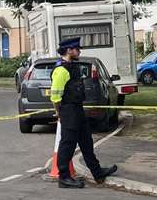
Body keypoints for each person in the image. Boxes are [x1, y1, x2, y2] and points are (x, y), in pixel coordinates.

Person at [49, 38, 118, 189]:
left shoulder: (71, 67)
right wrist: (59, 113)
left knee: (87, 143)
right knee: (67, 145)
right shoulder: (61, 70)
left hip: (77, 109)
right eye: (76, 49)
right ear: (69, 50)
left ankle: (98, 173)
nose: (79, 51)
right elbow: (55, 97)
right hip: (68, 110)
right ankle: (64, 177)